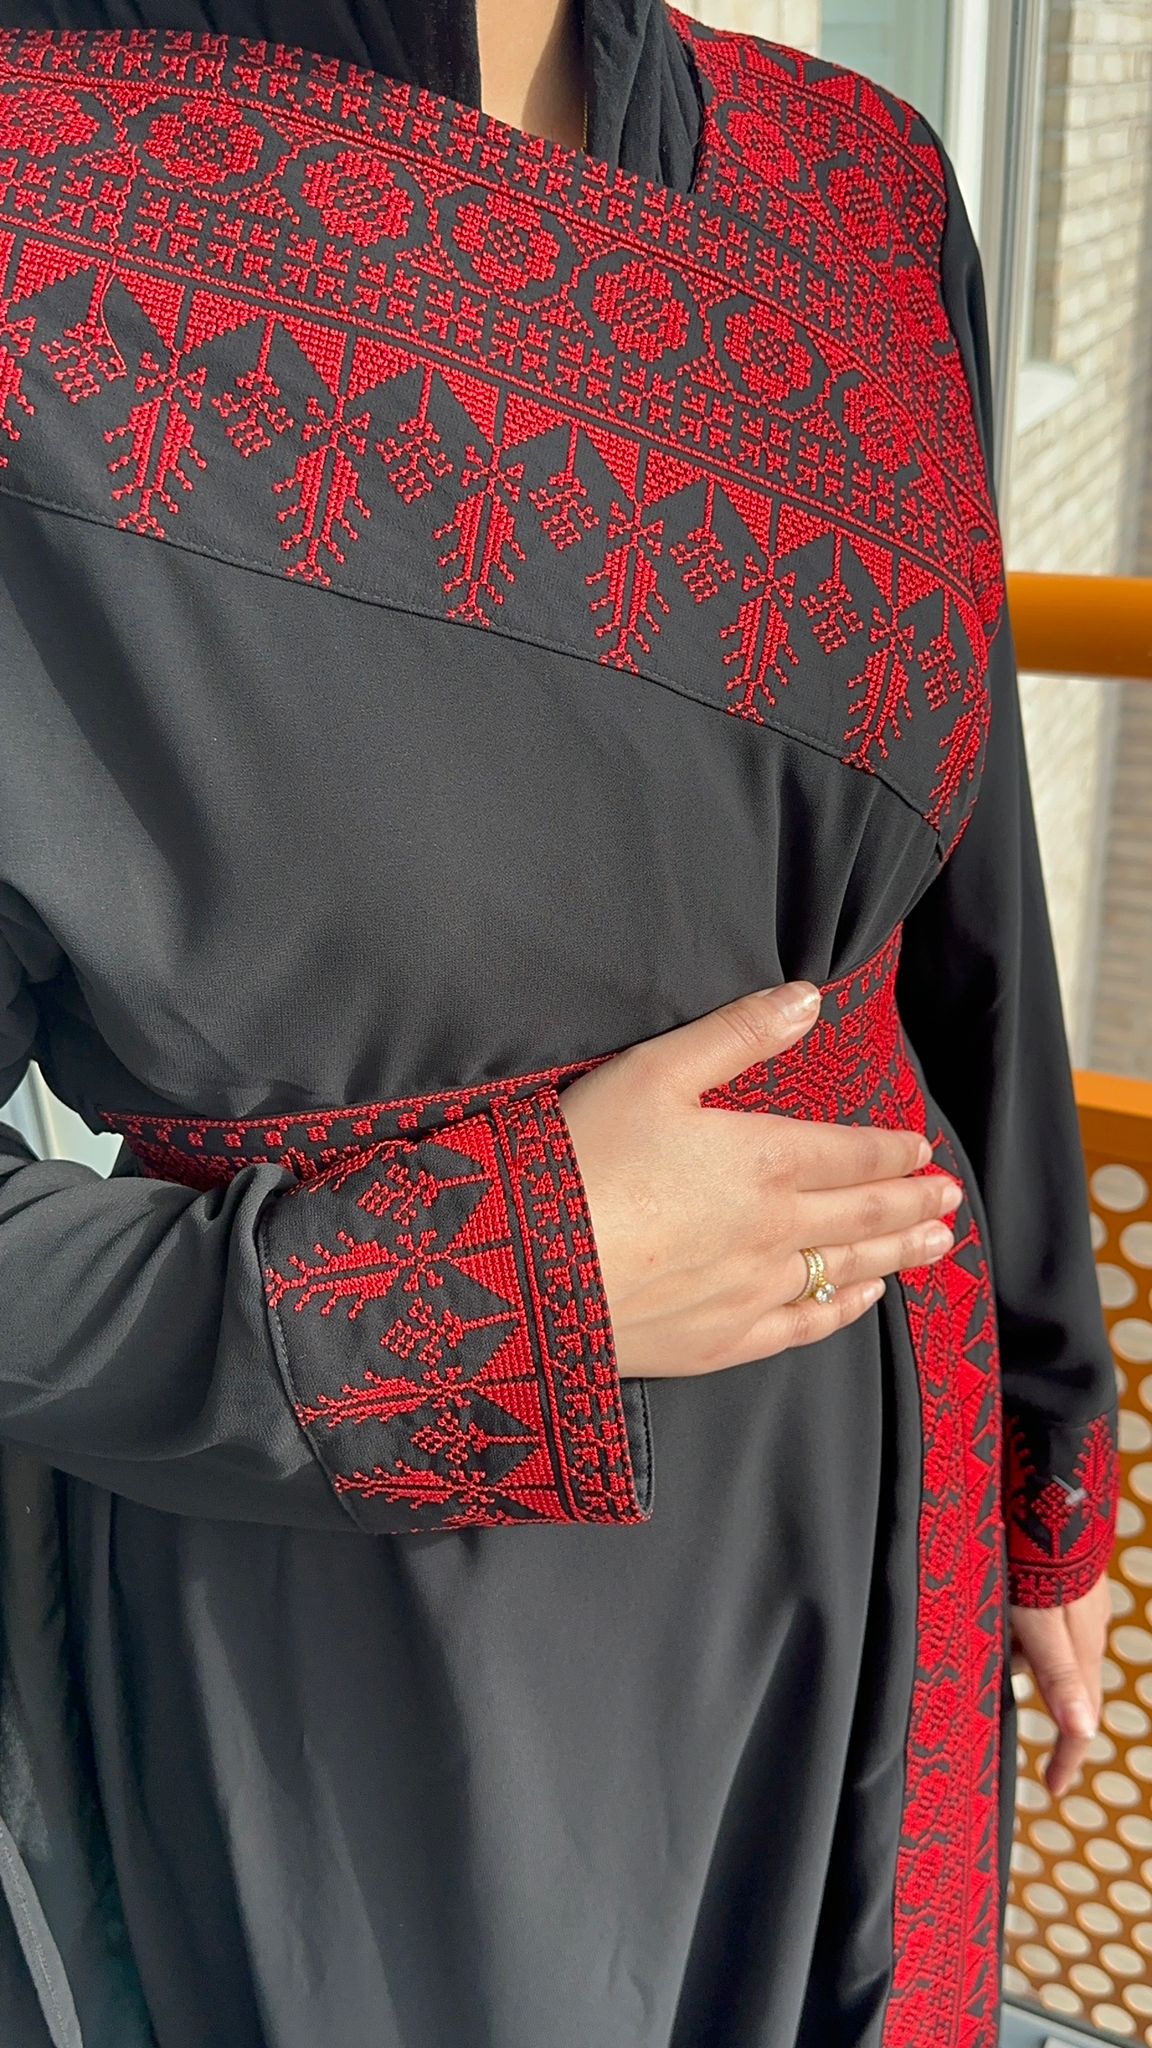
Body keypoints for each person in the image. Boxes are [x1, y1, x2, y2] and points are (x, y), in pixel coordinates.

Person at [0, 1, 1119, 2042]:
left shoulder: (856, 185)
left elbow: (970, 898)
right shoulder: (43, 201)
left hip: (866, 1472)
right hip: (358, 1609)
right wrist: (470, 1294)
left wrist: (1050, 1447)